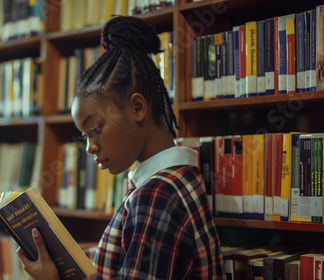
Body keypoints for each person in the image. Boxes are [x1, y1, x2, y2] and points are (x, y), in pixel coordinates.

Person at [18, 16, 225, 280]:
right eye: (84, 137)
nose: (90, 148)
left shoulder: (156, 197)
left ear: (137, 108)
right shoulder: (181, 177)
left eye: (96, 129)